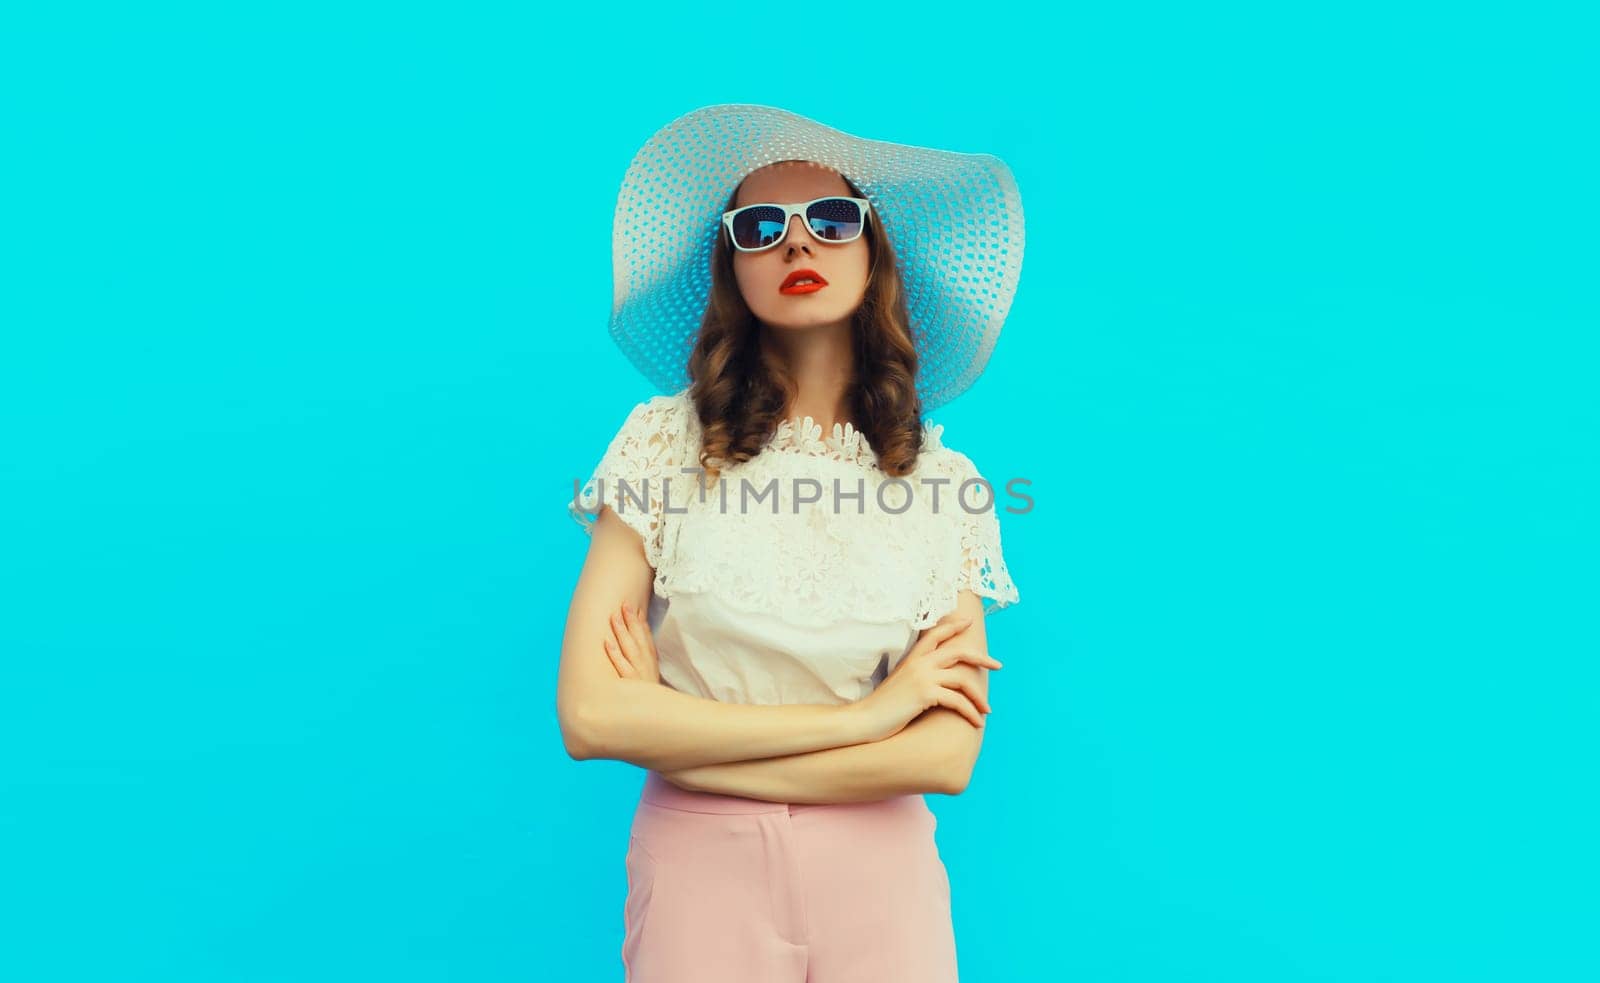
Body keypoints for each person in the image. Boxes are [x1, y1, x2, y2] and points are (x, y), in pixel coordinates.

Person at [559, 103, 1025, 983]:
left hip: (882, 875)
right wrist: (869, 719)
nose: (797, 245)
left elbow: (946, 756)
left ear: (873, 251)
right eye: (761, 226)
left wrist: (679, 734)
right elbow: (589, 716)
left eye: (832, 220)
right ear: (733, 268)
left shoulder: (944, 482)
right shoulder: (662, 444)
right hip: (699, 871)